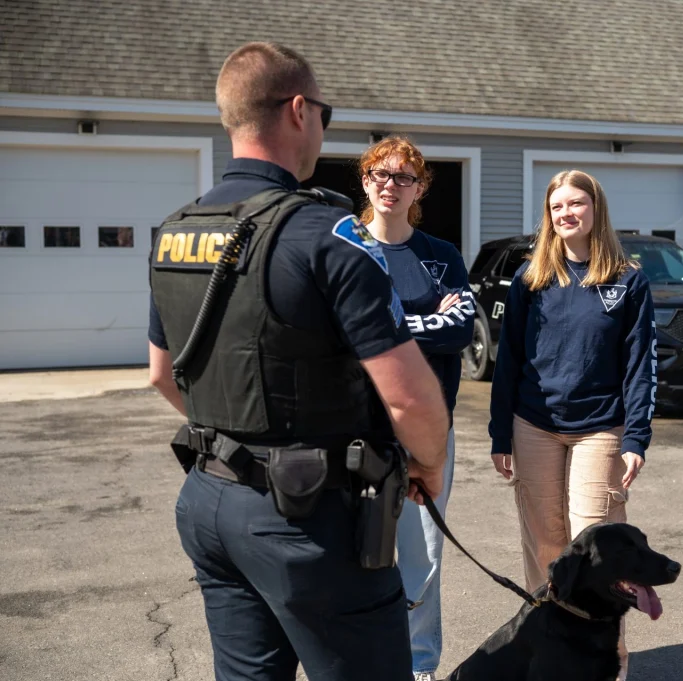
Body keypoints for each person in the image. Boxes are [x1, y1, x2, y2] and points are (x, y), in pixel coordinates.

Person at [147, 41, 450, 681]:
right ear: (297, 111)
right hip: (308, 518)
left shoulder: (177, 229)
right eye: (324, 112)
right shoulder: (327, 236)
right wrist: (425, 462)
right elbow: (410, 399)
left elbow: (161, 374)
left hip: (208, 498)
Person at [487, 169, 656, 680]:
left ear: (595, 209)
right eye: (557, 206)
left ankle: (610, 665)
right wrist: (500, 434)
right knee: (546, 549)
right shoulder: (530, 279)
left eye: (576, 203)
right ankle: (554, 659)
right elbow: (507, 360)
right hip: (534, 424)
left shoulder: (627, 280)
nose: (566, 213)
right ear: (549, 215)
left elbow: (640, 364)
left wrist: (636, 438)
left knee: (599, 552)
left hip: (600, 427)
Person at [357, 135, 475, 681]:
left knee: (422, 555)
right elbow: (343, 336)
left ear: (419, 187)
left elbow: (459, 332)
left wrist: (388, 326)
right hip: (358, 431)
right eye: (380, 174)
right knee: (356, 554)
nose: (390, 185)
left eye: (403, 177)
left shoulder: (441, 256)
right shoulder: (347, 247)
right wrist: (419, 325)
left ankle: (420, 666)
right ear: (365, 180)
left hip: (428, 430)